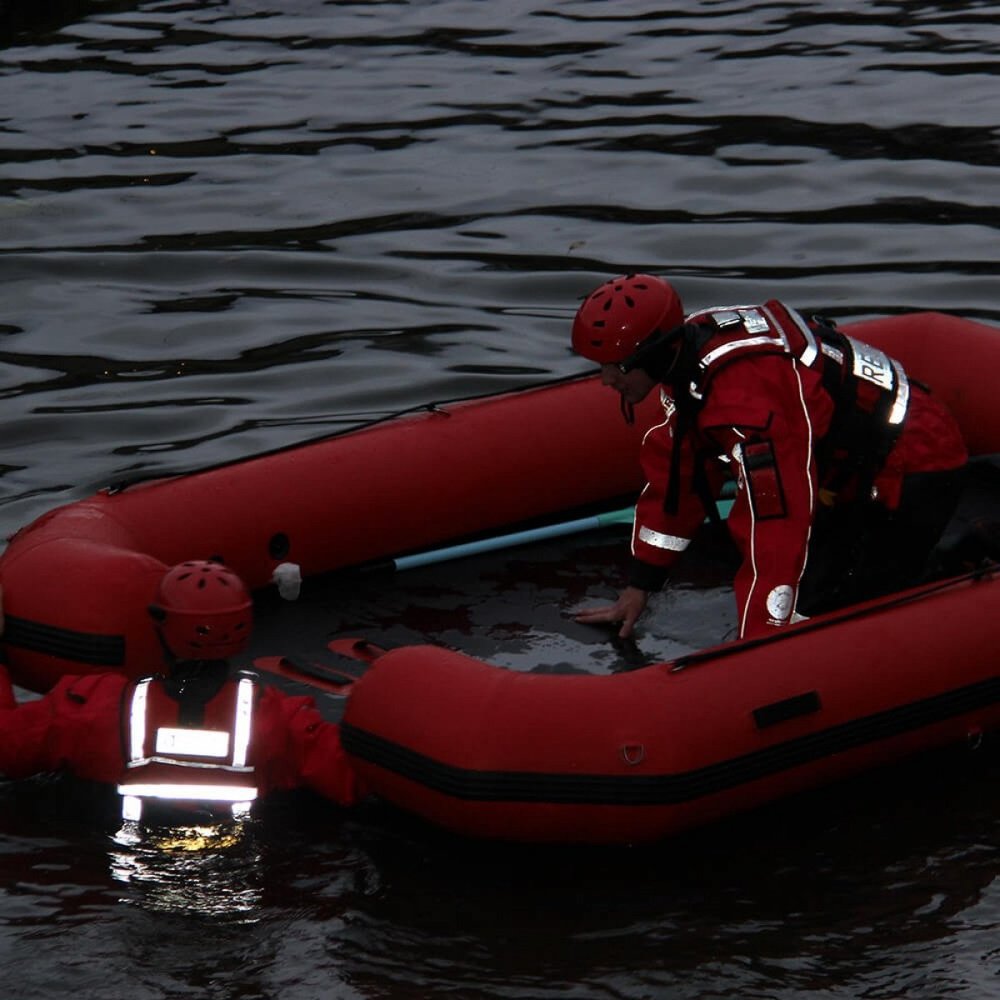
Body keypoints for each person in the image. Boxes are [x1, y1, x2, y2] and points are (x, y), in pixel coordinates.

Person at [571, 273, 969, 640]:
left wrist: (759, 640)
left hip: (917, 458)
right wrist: (640, 586)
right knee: (814, 593)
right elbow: (677, 482)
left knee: (854, 608)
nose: (607, 380)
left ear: (656, 354)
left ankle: (966, 568)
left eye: (617, 368)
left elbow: (776, 519)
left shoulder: (746, 403)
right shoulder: (689, 363)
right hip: (845, 468)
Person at [0, 561, 364, 824]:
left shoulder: (90, 709)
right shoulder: (282, 722)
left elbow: (7, 747)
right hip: (237, 874)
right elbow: (355, 780)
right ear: (244, 628)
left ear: (160, 625)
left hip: (129, 873)